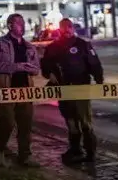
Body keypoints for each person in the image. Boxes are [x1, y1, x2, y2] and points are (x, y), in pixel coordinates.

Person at [41, 18, 103, 163]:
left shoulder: (83, 45)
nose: (67, 29)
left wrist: (99, 80)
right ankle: (75, 150)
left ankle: (90, 152)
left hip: (80, 88)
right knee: (70, 121)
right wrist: (49, 74)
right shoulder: (53, 47)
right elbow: (45, 66)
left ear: (73, 28)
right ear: (60, 29)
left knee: (85, 122)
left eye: (69, 27)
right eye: (64, 27)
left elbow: (94, 64)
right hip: (63, 89)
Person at [0, 13, 40, 167]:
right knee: (8, 121)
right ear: (10, 25)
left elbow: (36, 68)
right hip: (5, 89)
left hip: (25, 89)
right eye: (18, 22)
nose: (22, 25)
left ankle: (24, 156)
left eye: (23, 22)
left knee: (25, 123)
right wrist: (17, 66)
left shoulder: (29, 46)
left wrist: (32, 69)